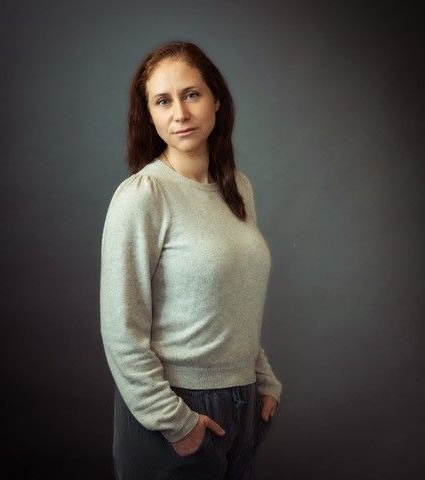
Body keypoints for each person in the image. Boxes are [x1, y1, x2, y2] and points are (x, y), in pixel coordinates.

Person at [100, 40, 283, 480]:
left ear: (216, 100)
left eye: (191, 94)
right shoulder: (143, 195)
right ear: (149, 115)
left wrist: (263, 379)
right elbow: (121, 330)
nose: (180, 113)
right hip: (173, 412)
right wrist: (175, 422)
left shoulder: (238, 188)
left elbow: (233, 301)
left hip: (242, 406)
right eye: (163, 101)